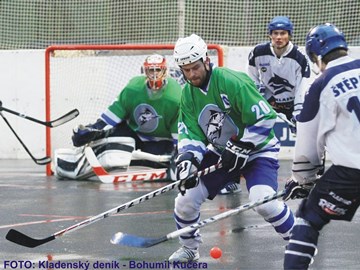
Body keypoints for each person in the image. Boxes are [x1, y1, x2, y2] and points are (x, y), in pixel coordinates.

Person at [168, 33, 295, 262]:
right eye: (185, 70)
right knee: (185, 199)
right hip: (221, 153)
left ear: (206, 60)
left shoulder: (231, 80)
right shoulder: (188, 95)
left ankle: (299, 243)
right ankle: (189, 248)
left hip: (258, 151)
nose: (191, 74)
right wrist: (188, 160)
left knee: (264, 201)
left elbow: (265, 117)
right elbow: (191, 133)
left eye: (195, 67)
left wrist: (242, 145)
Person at [283, 23, 360, 269]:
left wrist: (302, 180)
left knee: (309, 218)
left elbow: (307, 145)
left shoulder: (321, 83)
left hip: (351, 171)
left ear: (315, 56)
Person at [55, 54, 182, 179]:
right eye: (151, 70)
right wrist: (93, 130)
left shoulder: (175, 97)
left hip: (161, 141)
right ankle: (73, 161)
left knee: (157, 160)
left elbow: (180, 133)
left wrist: (179, 153)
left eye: (158, 69)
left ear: (165, 71)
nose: (154, 74)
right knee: (112, 143)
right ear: (145, 70)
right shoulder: (133, 88)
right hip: (135, 133)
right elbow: (111, 117)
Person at [247, 16, 311, 133]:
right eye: (275, 33)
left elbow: (301, 87)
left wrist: (298, 112)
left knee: (304, 135)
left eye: (283, 33)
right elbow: (252, 77)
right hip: (269, 103)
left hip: (291, 105)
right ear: (270, 35)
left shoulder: (299, 57)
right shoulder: (258, 52)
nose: (278, 37)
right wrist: (256, 94)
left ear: (290, 35)